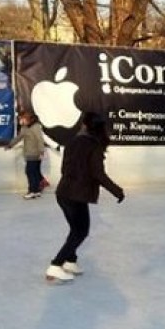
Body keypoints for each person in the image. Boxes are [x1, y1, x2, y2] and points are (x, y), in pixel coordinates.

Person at [45, 112, 125, 283]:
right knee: (81, 231)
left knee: (75, 230)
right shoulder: (94, 145)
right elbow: (98, 174)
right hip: (76, 196)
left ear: (85, 125)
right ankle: (55, 265)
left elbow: (64, 168)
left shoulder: (73, 141)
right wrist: (117, 190)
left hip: (64, 192)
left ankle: (70, 261)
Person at [5, 111, 46, 199]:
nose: (20, 121)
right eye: (20, 119)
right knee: (34, 172)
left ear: (27, 119)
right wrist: (10, 145)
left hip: (35, 154)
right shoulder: (24, 128)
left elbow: (40, 139)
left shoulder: (35, 127)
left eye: (21, 119)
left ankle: (32, 190)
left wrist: (41, 152)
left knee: (30, 172)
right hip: (29, 153)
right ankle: (36, 190)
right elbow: (18, 137)